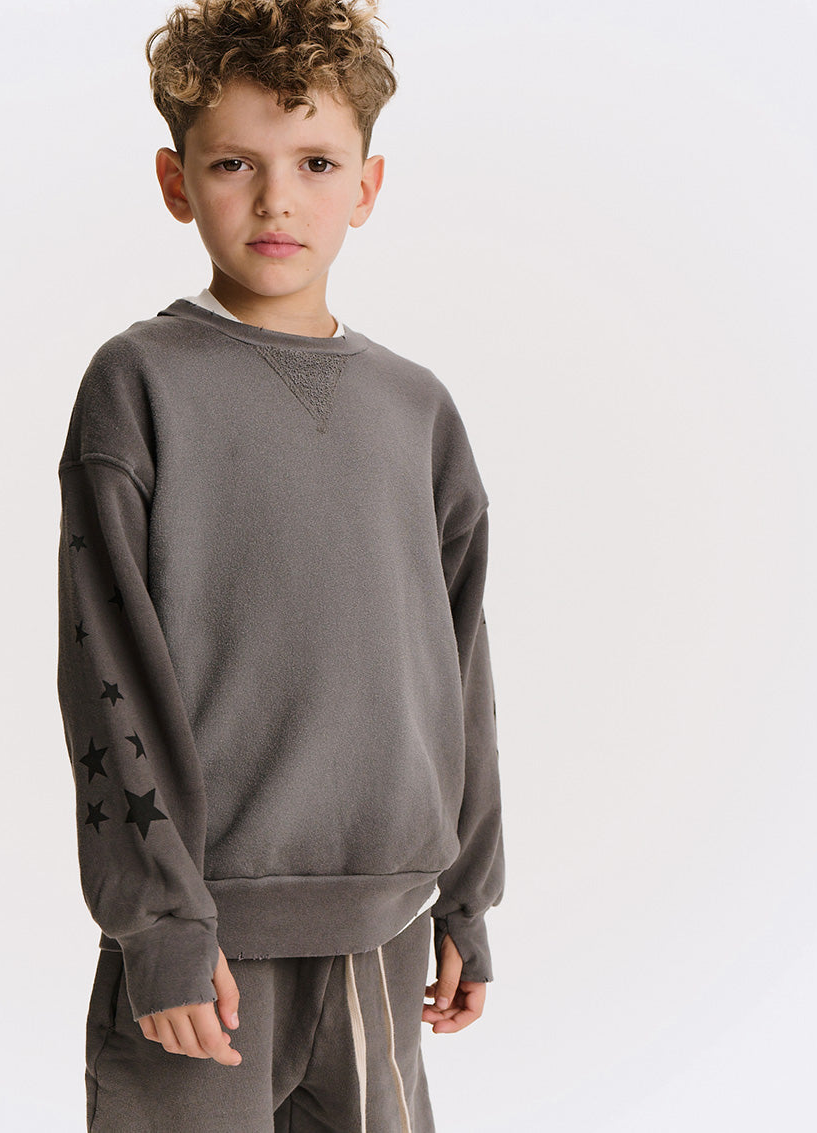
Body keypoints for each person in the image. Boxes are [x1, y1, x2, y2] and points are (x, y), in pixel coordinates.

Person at [55, 2, 505, 1129]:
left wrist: (467, 895)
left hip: (388, 935)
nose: (275, 200)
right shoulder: (139, 383)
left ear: (367, 184)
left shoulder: (417, 409)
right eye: (233, 164)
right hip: (203, 951)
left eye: (315, 162)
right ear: (176, 182)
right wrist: (161, 921)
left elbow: (459, 663)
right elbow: (106, 668)